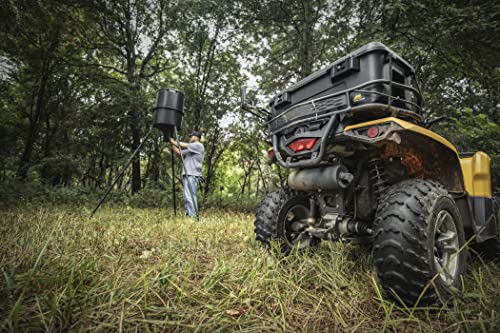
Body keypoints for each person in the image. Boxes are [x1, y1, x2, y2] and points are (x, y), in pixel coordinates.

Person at [170, 131, 204, 218]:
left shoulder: (198, 145)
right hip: (189, 174)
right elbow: (178, 152)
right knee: (188, 195)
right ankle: (190, 214)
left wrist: (172, 141)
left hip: (192, 174)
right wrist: (172, 144)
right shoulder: (191, 150)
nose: (190, 138)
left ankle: (192, 216)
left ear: (197, 137)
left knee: (189, 195)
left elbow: (181, 145)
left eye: (191, 136)